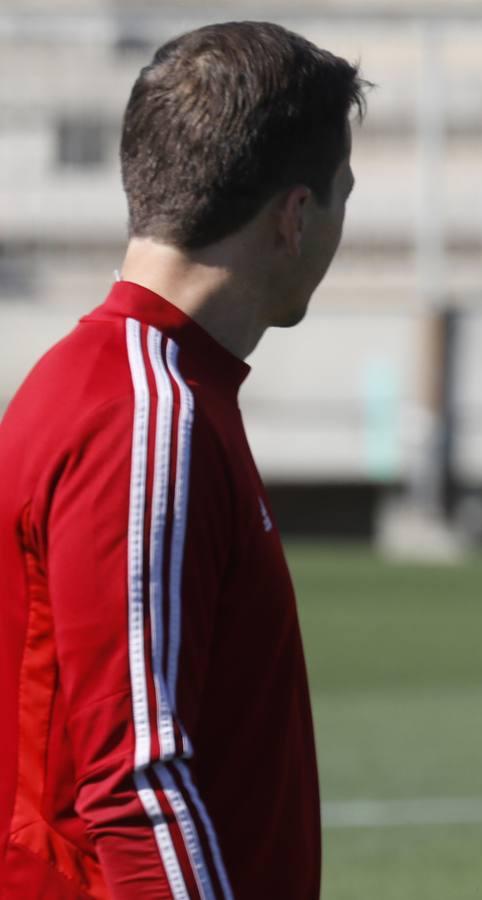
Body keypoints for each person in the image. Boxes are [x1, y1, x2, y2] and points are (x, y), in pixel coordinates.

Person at [0, 22, 366, 899]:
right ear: (296, 216)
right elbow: (136, 782)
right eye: (343, 194)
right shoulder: (144, 416)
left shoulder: (108, 385)